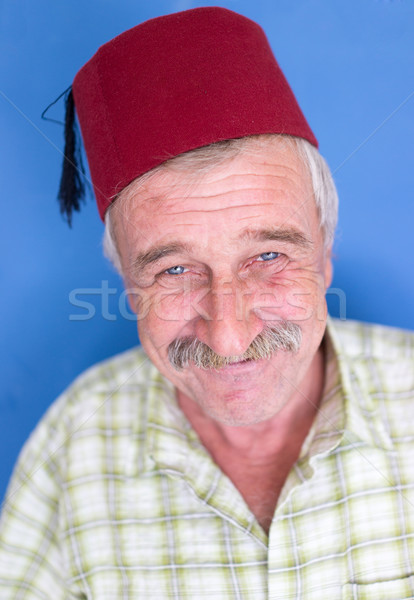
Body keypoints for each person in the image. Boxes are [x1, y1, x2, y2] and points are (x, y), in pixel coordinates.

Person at [1, 6, 413, 599]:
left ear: (325, 256)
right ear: (126, 282)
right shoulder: (73, 443)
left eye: (269, 257)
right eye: (174, 270)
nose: (229, 336)